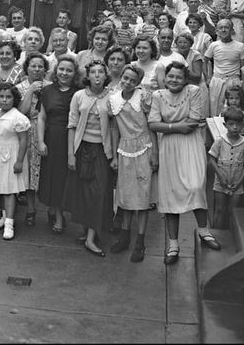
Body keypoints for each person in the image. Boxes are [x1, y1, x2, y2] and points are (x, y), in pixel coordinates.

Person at [148, 62, 220, 265]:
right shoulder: (157, 96)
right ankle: (173, 244)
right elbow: (152, 124)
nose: (174, 80)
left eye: (178, 77)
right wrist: (176, 126)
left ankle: (204, 232)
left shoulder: (194, 91)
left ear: (185, 78)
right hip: (169, 147)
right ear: (165, 78)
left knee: (196, 187)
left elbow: (193, 122)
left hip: (192, 144)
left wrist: (167, 126)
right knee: (171, 194)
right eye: (170, 76)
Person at [107, 65, 158, 262]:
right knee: (126, 196)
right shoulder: (114, 99)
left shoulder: (143, 97)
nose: (128, 82)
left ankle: (140, 241)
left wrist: (155, 153)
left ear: (137, 83)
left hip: (144, 147)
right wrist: (113, 156)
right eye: (125, 78)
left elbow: (151, 126)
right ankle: (125, 237)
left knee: (143, 199)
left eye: (132, 80)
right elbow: (114, 130)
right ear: (121, 77)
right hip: (124, 150)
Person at [64, 61, 113, 257]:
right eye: (93, 72)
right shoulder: (78, 95)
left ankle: (92, 238)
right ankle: (87, 231)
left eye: (101, 72)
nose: (97, 75)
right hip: (82, 149)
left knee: (98, 192)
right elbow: (72, 125)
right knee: (83, 192)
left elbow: (115, 126)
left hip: (101, 150)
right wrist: (70, 154)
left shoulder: (112, 96)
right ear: (88, 76)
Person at [37, 56, 82, 234]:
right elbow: (42, 117)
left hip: (73, 138)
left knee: (68, 178)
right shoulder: (47, 90)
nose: (64, 73)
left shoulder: (80, 91)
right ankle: (58, 216)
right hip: (53, 138)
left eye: (69, 70)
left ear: (74, 73)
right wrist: (40, 141)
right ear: (56, 71)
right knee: (54, 178)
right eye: (61, 69)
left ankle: (63, 211)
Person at [0, 82, 31, 241]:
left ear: (14, 99)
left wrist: (19, 161)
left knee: (10, 190)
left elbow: (23, 141)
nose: (5, 100)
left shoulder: (18, 117)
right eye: (2, 97)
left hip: (11, 156)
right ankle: (4, 217)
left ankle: (10, 224)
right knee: (0, 187)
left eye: (8, 97)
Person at [16, 52, 49, 226]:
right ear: (27, 68)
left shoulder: (51, 86)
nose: (37, 69)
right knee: (29, 171)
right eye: (33, 66)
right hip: (26, 131)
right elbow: (21, 112)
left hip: (46, 131)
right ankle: (30, 209)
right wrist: (30, 90)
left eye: (40, 66)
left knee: (47, 171)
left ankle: (52, 210)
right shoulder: (21, 87)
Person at [208, 108, 244, 229]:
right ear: (225, 125)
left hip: (237, 184)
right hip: (220, 183)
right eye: (231, 124)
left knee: (232, 211)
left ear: (242, 126)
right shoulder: (220, 141)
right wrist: (221, 177)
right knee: (219, 209)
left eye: (238, 124)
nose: (235, 127)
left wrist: (239, 182)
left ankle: (230, 236)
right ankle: (216, 234)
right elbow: (212, 160)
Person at [204, 19, 244, 116]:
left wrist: (243, 82)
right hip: (217, 81)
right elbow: (205, 61)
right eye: (221, 28)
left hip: (233, 81)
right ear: (217, 31)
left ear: (232, 30)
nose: (224, 30)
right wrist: (207, 77)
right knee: (215, 110)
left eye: (226, 27)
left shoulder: (240, 46)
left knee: (234, 111)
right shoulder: (213, 45)